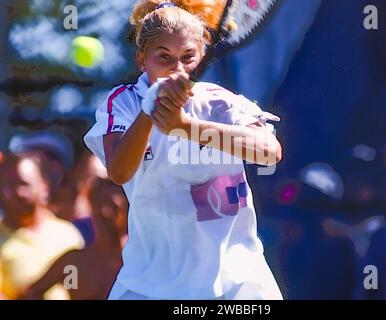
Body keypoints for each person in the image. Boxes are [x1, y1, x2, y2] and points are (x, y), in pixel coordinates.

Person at [84, 0, 283, 300]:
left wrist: (185, 127)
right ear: (142, 60)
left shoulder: (220, 102)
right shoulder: (123, 103)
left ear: (201, 56)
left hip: (239, 284)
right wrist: (151, 110)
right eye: (164, 57)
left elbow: (270, 152)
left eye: (188, 57)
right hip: (147, 286)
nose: (178, 68)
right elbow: (119, 171)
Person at [20, 177, 128, 300]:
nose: (104, 212)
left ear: (128, 210)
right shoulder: (73, 265)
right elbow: (31, 293)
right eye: (99, 205)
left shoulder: (141, 260)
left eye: (114, 207)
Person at [0, 153, 84, 299]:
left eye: (23, 184)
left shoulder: (68, 235)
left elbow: (76, 285)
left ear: (44, 186)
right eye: (8, 185)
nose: (18, 192)